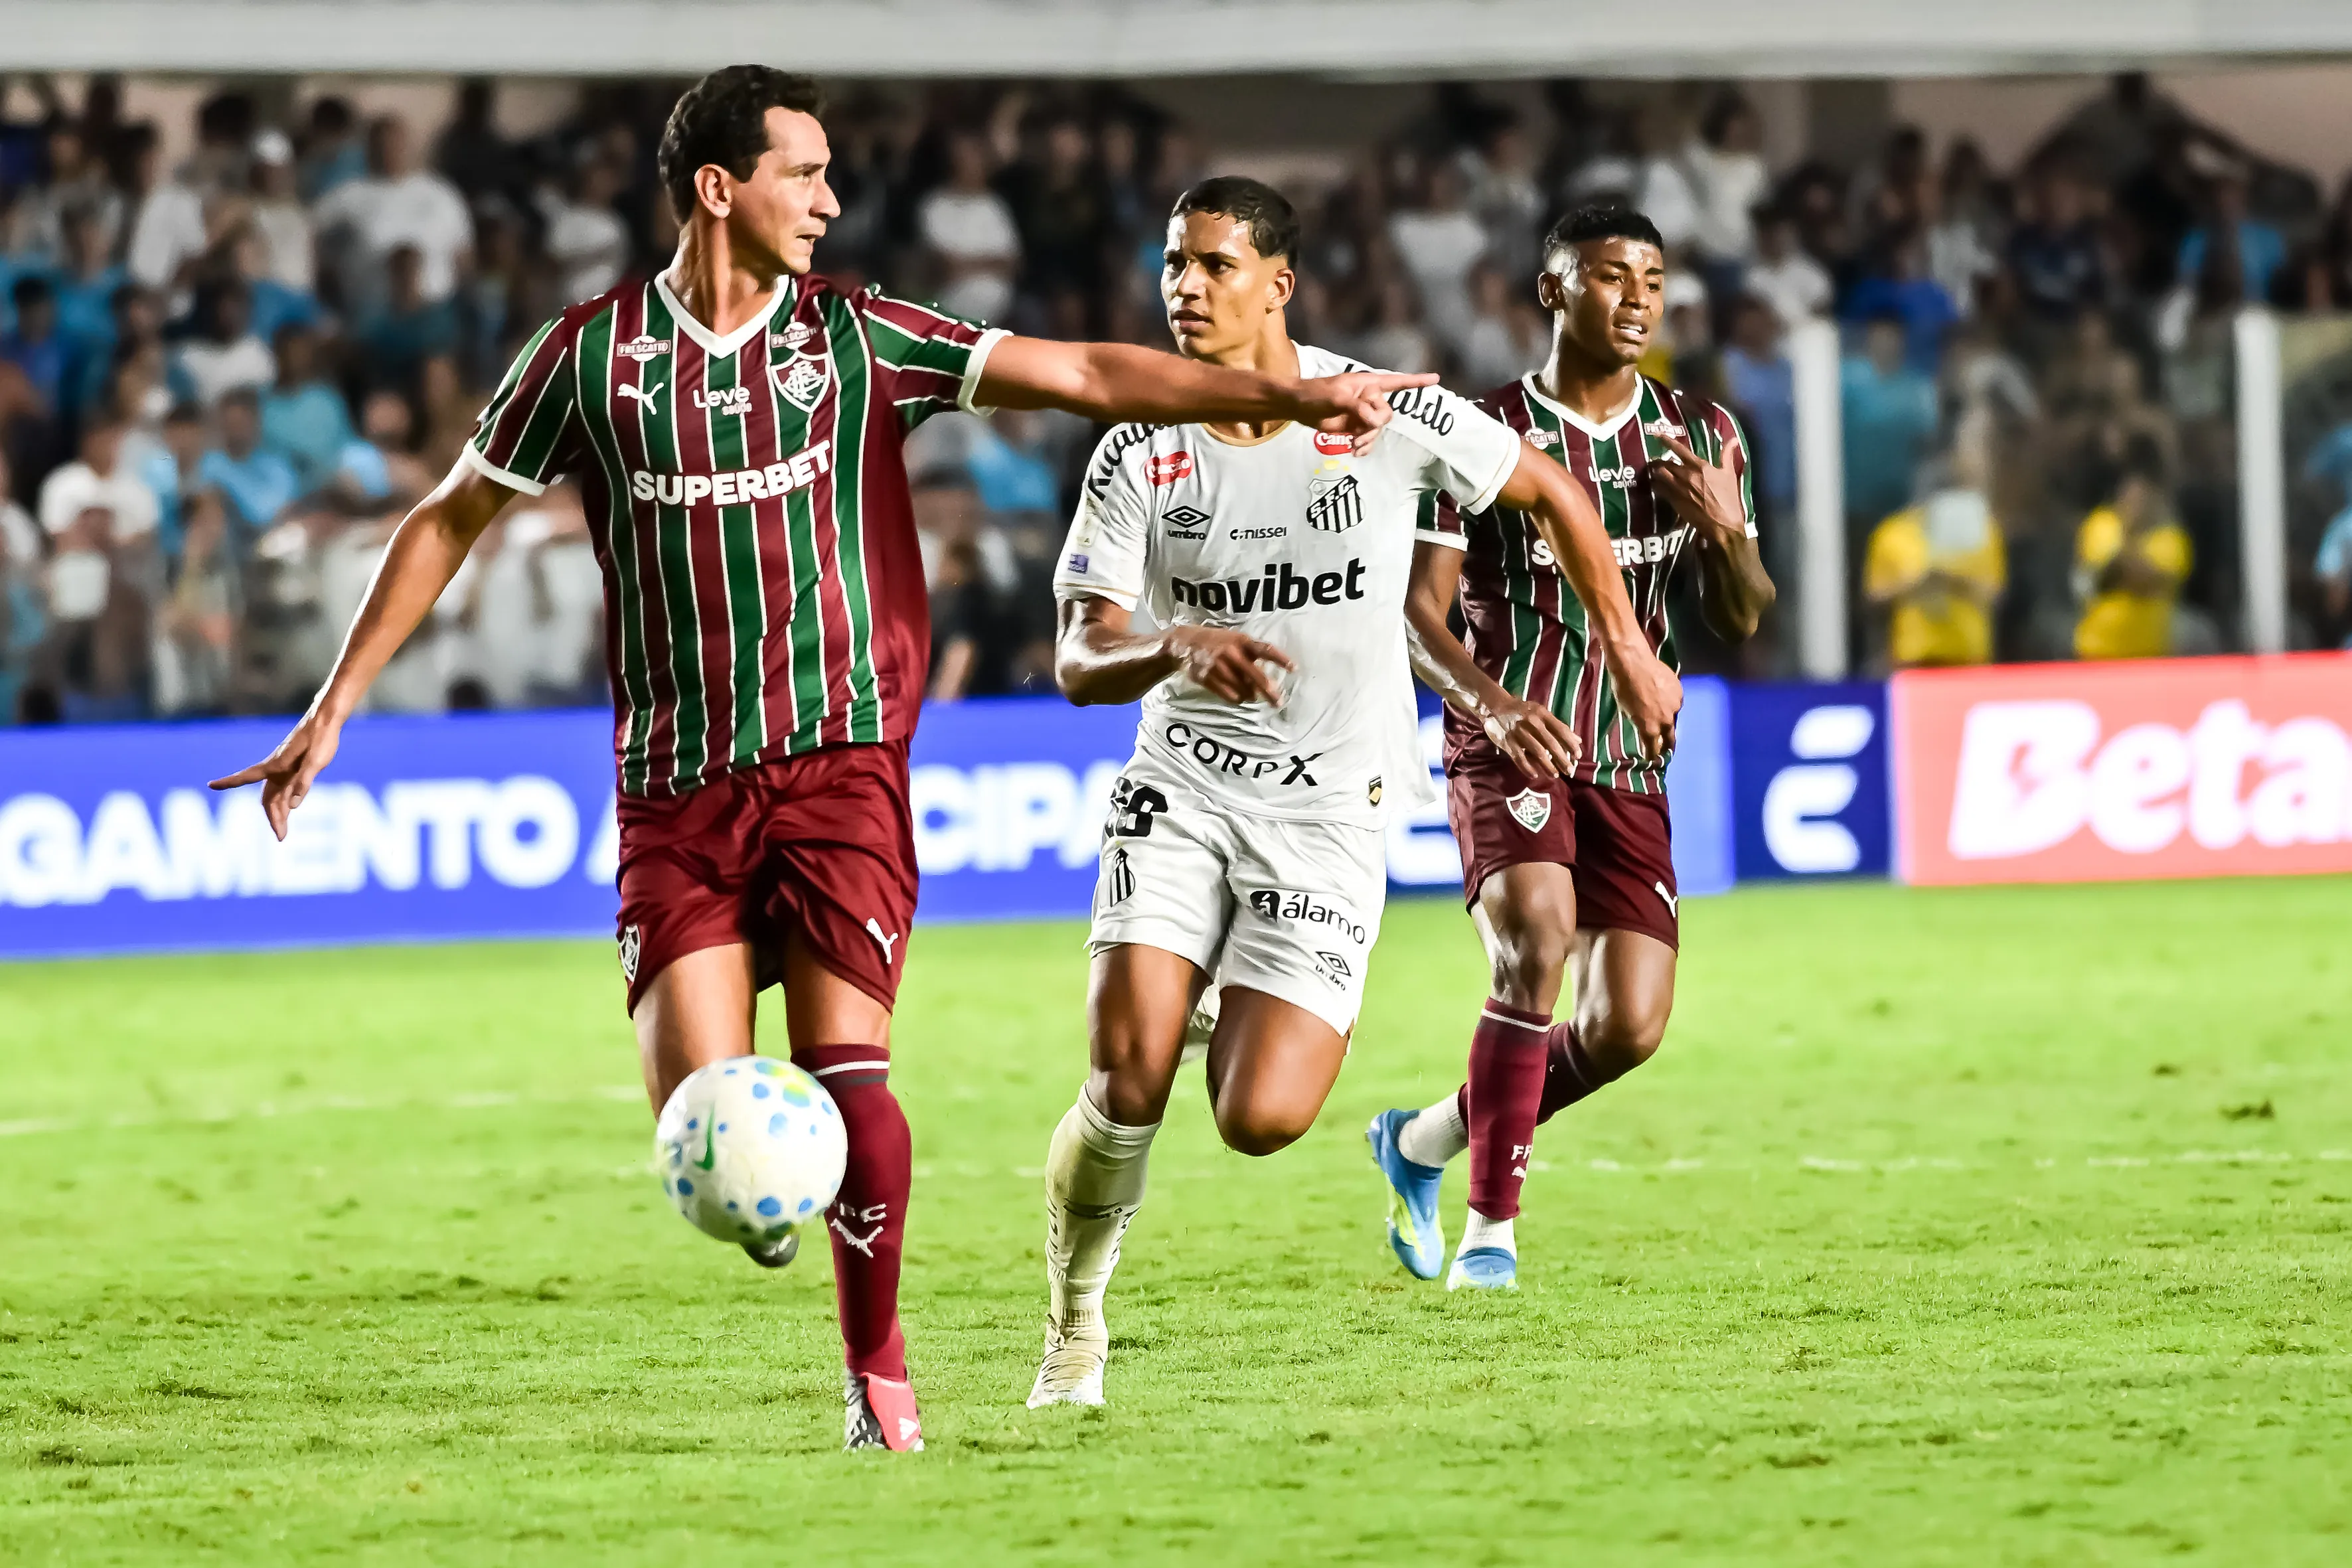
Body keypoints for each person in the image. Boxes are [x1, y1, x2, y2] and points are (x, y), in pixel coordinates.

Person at [210, 64, 1435, 1455]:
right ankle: (774, 1204)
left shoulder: (856, 339)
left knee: (850, 1075)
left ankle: (877, 1376)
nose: (831, 200)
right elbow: (446, 518)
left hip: (838, 766)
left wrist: (1284, 395)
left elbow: (1086, 376)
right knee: (705, 1125)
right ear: (718, 187)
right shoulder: (586, 360)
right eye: (804, 173)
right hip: (674, 789)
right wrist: (333, 708)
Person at [1032, 179, 1674, 1402]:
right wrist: (1170, 647)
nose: (1184, 286)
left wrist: (1629, 648)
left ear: (1278, 284)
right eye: (1173, 263)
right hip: (1182, 787)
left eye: (1214, 264)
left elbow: (1552, 490)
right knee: (1126, 1078)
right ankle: (1074, 1327)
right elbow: (1077, 656)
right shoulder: (1137, 447)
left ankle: (1219, 997)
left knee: (1261, 1119)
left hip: (1330, 810)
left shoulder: (1383, 411)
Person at [1369, 206, 1772, 1291]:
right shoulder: (1477, 432)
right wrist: (1490, 705)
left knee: (1627, 1024)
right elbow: (1414, 614)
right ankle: (1488, 1235)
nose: (1636, 298)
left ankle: (1421, 1139)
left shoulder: (1704, 435)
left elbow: (1740, 616)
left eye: (1651, 279)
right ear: (1552, 291)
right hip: (1514, 731)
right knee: (1535, 944)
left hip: (1629, 751)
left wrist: (1724, 534)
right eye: (1608, 276)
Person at [1863, 463, 2008, 668]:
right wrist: (1914, 583)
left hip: (1969, 653)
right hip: (1913, 653)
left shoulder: (1984, 531)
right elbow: (1874, 597)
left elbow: (1996, 594)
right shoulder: (1893, 533)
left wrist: (1956, 580)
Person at [2073, 446, 2192, 660]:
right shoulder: (2100, 525)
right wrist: (2125, 558)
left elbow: (2154, 580)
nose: (2135, 501)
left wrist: (2128, 544)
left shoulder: (2171, 538)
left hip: (2152, 652)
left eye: (2143, 495)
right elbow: (2098, 579)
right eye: (2130, 492)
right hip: (2098, 650)